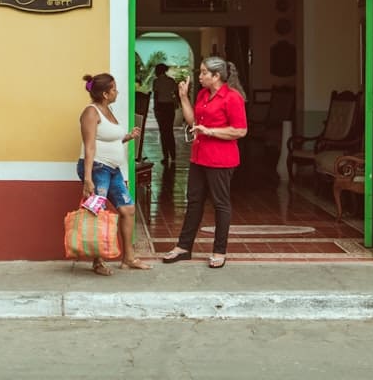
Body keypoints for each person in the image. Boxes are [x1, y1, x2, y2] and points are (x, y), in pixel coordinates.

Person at [160, 57, 247, 269]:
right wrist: (183, 97)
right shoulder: (202, 94)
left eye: (203, 73)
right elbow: (193, 122)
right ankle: (183, 247)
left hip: (221, 158)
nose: (199, 77)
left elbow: (240, 130)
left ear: (216, 76)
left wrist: (211, 131)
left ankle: (219, 251)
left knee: (220, 204)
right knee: (194, 201)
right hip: (199, 156)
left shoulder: (232, 98)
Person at [77, 72, 153, 275]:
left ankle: (128, 258)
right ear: (105, 93)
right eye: (114, 89)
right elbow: (90, 146)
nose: (117, 91)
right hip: (97, 169)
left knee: (127, 209)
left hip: (113, 169)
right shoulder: (91, 113)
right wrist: (87, 179)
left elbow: (109, 139)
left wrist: (127, 137)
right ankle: (98, 261)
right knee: (97, 212)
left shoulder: (107, 110)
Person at [151, 63, 179, 166]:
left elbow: (156, 96)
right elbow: (175, 94)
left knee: (163, 132)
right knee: (169, 131)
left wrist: (155, 108)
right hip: (170, 107)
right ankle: (173, 155)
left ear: (158, 71)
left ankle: (166, 156)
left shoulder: (156, 82)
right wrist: (177, 104)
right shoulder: (171, 81)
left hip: (161, 107)